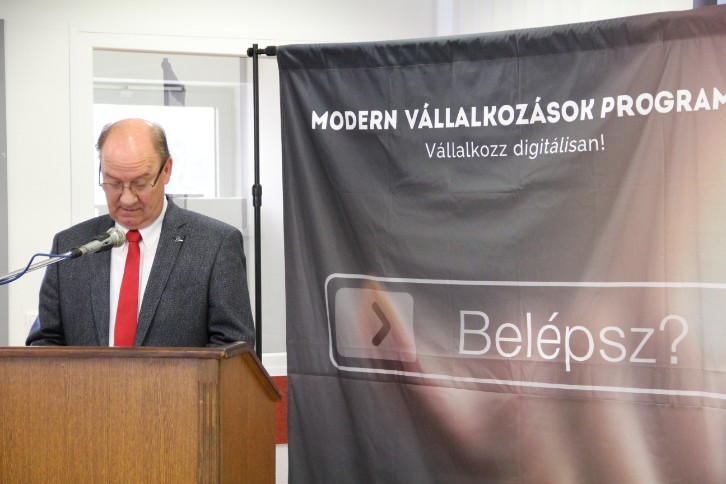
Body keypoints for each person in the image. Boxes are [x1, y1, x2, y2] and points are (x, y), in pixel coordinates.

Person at [26, 118, 255, 347]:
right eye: (114, 183)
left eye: (140, 184)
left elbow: (233, 347)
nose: (127, 199)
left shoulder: (214, 245)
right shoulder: (71, 246)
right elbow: (45, 343)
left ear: (166, 170)